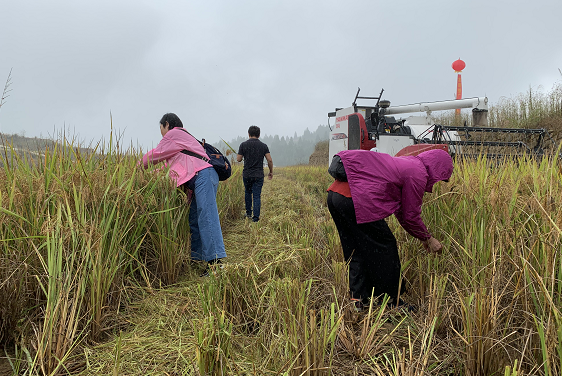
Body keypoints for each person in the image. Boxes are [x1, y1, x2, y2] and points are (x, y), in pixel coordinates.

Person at [327, 149, 453, 310]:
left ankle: (359, 299)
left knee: (356, 248)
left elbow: (401, 211)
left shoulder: (408, 163)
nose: (436, 182)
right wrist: (428, 238)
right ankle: (392, 302)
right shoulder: (418, 174)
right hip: (356, 199)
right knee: (385, 246)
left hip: (335, 196)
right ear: (436, 168)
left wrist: (422, 236)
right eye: (440, 178)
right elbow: (410, 215)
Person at [140, 113, 226, 276]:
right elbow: (168, 168)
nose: (161, 134)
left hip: (203, 176)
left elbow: (155, 155)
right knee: (194, 219)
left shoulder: (173, 134)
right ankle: (198, 258)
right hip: (202, 177)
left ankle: (216, 265)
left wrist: (138, 168)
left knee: (206, 216)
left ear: (166, 124)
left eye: (161, 129)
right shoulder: (183, 138)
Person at [236, 125, 273, 222]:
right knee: (257, 195)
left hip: (247, 174)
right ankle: (255, 218)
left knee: (248, 192)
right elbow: (269, 160)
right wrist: (271, 172)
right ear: (259, 135)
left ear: (248, 134)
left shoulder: (243, 145)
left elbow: (238, 159)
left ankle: (248, 213)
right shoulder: (263, 146)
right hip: (258, 175)